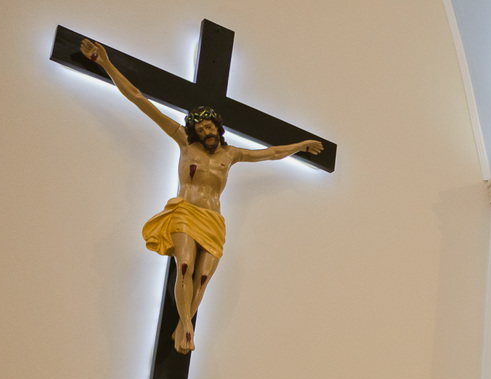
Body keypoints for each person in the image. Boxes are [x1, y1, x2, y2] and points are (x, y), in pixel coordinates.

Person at [79, 39, 324, 354]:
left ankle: (182, 327)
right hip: (185, 212)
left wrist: (301, 145)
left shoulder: (230, 154)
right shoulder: (184, 142)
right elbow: (139, 99)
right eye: (202, 128)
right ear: (195, 130)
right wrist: (104, 62)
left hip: (213, 221)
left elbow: (271, 153)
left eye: (211, 127)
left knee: (203, 277)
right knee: (184, 266)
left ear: (218, 128)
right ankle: (188, 327)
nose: (207, 131)